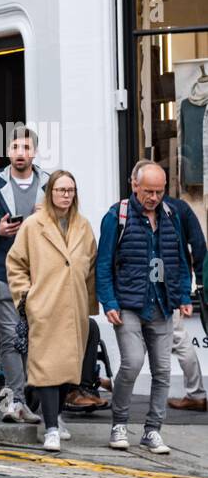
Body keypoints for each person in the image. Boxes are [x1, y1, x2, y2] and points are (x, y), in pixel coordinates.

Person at [97, 161, 191, 455]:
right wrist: (109, 301)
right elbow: (103, 263)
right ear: (134, 185)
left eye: (159, 191)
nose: (154, 197)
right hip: (128, 303)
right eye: (148, 191)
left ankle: (153, 430)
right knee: (133, 363)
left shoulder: (171, 214)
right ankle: (119, 424)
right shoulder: (117, 216)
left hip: (162, 303)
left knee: (163, 370)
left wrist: (184, 295)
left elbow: (180, 258)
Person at [6, 170, 97, 452]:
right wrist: (27, 297)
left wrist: (88, 305)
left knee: (67, 370)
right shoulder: (33, 226)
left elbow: (91, 266)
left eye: (70, 190)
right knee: (46, 369)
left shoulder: (83, 226)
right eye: (60, 190)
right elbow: (15, 263)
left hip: (74, 308)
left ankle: (55, 417)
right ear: (50, 193)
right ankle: (51, 429)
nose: (66, 196)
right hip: (44, 306)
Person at [0, 126, 48, 424]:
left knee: (39, 337)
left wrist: (48, 217)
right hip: (3, 270)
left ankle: (37, 400)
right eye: (15, 148)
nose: (20, 153)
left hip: (41, 273)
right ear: (8, 152)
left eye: (26, 148)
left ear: (35, 152)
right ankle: (16, 400)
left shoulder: (49, 183)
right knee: (12, 337)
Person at [159, 166, 207, 412]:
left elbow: (198, 246)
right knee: (175, 337)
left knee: (173, 337)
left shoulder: (174, 209)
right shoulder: (180, 208)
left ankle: (196, 393)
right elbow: (198, 245)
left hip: (163, 284)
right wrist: (200, 282)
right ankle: (195, 392)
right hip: (172, 282)